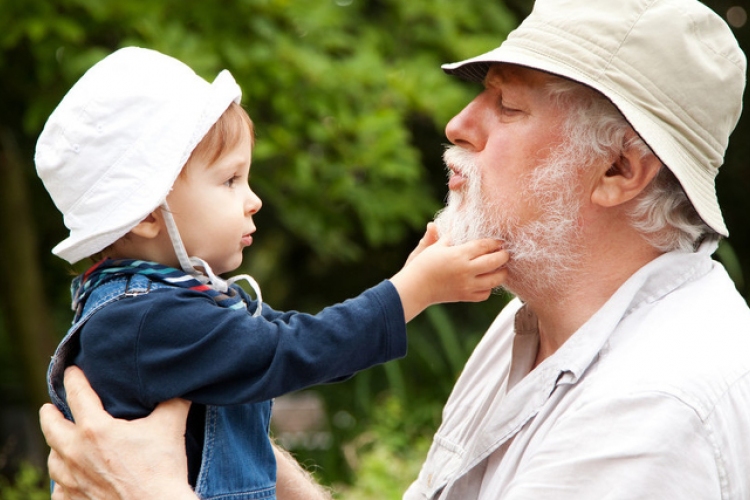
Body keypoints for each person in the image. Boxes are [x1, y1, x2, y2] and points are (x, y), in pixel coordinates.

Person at [39, 0, 750, 498]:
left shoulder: (656, 410)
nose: (458, 122)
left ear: (619, 171)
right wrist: (228, 457)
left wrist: (153, 492)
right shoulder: (530, 328)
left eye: (507, 105)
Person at [35, 47, 508, 500]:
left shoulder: (170, 305)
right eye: (229, 180)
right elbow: (295, 350)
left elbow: (298, 339)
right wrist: (413, 291)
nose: (253, 199)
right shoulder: (145, 322)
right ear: (147, 216)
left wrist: (409, 278)